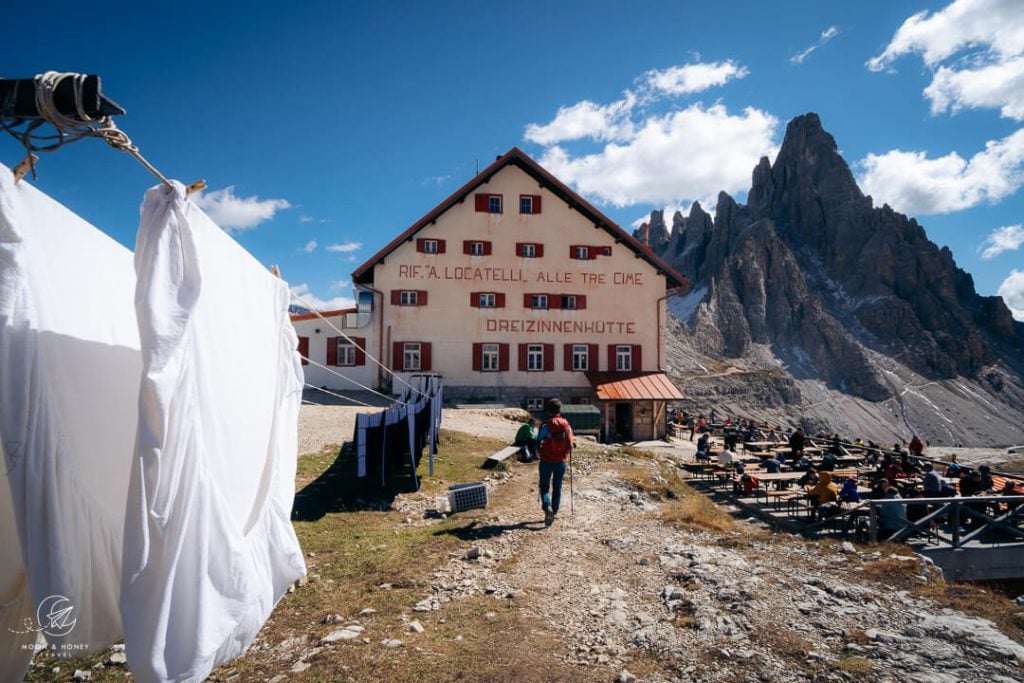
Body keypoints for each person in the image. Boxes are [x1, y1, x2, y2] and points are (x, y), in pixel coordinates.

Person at [537, 399, 574, 526]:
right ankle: (555, 511)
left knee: (544, 486)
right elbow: (571, 443)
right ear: (560, 410)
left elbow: (538, 440)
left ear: (549, 410)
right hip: (561, 461)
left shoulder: (546, 426)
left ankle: (547, 508)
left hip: (546, 460)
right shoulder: (566, 426)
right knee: (557, 486)